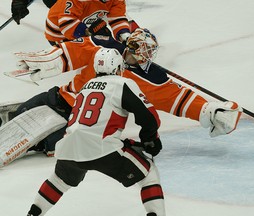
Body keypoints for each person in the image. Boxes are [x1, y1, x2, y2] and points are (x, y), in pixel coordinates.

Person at [2, 27, 241, 158]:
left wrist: (209, 110)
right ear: (132, 46)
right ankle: (19, 116)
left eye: (150, 51)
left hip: (81, 122)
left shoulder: (152, 79)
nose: (146, 55)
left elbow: (177, 98)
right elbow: (70, 53)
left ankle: (43, 142)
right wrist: (48, 62)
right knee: (19, 116)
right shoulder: (103, 46)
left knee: (49, 145)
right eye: (143, 49)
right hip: (60, 97)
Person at [26, 47, 165, 216]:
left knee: (58, 182)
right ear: (118, 67)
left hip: (68, 146)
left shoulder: (86, 86)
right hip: (102, 147)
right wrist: (150, 140)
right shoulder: (122, 84)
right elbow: (149, 118)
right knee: (148, 175)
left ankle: (33, 214)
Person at [44, 0, 130, 45]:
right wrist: (90, 37)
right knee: (101, 51)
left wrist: (124, 35)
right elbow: (66, 23)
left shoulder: (117, 1)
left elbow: (117, 18)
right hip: (59, 36)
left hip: (83, 25)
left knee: (105, 35)